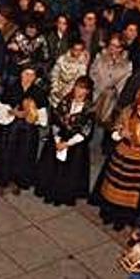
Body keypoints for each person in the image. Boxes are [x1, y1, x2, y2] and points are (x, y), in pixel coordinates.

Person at [91, 88, 140, 230]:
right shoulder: (128, 112)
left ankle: (125, 218)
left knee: (134, 191)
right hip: (123, 154)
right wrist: (121, 133)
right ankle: (109, 213)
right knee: (114, 184)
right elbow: (116, 128)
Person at [0, 67, 48, 195]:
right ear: (21, 74)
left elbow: (43, 118)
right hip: (11, 127)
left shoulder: (38, 92)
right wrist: (12, 113)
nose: (28, 78)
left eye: (32, 75)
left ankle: (18, 181)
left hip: (28, 130)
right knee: (6, 153)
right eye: (26, 74)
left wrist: (31, 115)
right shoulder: (11, 89)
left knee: (23, 155)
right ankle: (2, 181)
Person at [35, 76, 95, 206]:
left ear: (88, 91)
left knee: (69, 171)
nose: (78, 90)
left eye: (82, 88)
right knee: (52, 166)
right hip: (59, 137)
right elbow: (55, 121)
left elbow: (86, 131)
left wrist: (67, 144)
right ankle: (48, 192)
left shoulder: (89, 108)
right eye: (77, 86)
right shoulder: (65, 102)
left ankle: (62, 196)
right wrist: (57, 140)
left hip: (75, 143)